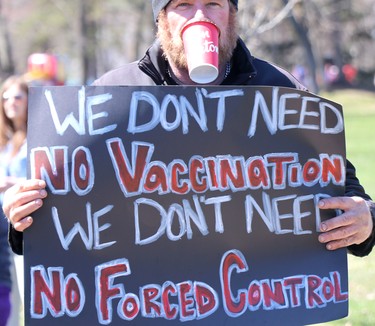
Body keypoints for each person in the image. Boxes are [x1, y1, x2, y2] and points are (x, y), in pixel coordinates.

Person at [2, 0, 375, 260]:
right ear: (162, 19)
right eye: (183, 5)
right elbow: (63, 214)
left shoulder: (280, 91)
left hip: (254, 302)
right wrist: (23, 221)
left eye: (213, 3)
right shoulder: (110, 94)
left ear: (232, 15)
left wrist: (366, 219)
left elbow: (341, 189)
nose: (201, 16)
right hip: (143, 305)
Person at [0, 75, 28, 325]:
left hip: (26, 226)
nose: (11, 102)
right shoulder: (7, 142)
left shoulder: (36, 137)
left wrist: (9, 185)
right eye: (6, 97)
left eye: (18, 96)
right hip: (4, 233)